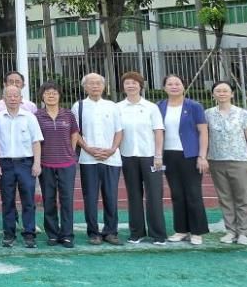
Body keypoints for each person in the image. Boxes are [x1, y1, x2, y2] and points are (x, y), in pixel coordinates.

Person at [158, 74, 210, 245]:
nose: (174, 86)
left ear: (183, 86)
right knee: (177, 194)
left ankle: (197, 232)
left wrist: (202, 156)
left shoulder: (194, 106)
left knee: (193, 193)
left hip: (190, 155)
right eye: (170, 84)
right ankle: (181, 230)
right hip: (169, 155)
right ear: (164, 88)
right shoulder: (159, 106)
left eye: (177, 83)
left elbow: (203, 132)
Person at [0, 85, 43, 248]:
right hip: (5, 164)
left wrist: (37, 163)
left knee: (28, 200)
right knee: (7, 200)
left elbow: (36, 141)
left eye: (16, 96)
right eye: (9, 96)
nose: (12, 99)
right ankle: (9, 234)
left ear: (21, 98)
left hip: (26, 163)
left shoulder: (30, 117)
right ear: (3, 98)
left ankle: (29, 234)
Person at [206, 81, 247, 245]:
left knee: (243, 197)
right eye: (218, 91)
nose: (222, 93)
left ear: (232, 94)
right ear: (213, 94)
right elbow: (205, 137)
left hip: (239, 160)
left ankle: (243, 232)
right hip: (216, 160)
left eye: (225, 91)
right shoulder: (208, 114)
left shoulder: (242, 114)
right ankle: (230, 231)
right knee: (225, 197)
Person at [74, 73, 123, 245]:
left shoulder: (112, 106)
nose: (95, 86)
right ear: (85, 87)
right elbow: (75, 132)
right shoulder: (78, 106)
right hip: (89, 159)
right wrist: (87, 148)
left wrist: (112, 149)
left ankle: (111, 232)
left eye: (98, 83)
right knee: (90, 197)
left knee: (111, 196)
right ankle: (93, 232)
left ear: (104, 86)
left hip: (111, 159)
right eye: (91, 83)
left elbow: (119, 131)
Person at [118, 71, 166, 245]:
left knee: (154, 195)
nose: (131, 85)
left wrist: (158, 155)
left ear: (140, 85)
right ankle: (136, 232)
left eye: (134, 82)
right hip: (127, 156)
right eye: (127, 83)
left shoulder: (151, 107)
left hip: (150, 156)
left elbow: (158, 131)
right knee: (133, 195)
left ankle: (158, 233)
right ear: (123, 87)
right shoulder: (118, 108)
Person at [35, 82, 79, 248]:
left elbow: (74, 134)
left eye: (54, 92)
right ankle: (52, 234)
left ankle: (67, 235)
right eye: (47, 93)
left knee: (67, 200)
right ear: (42, 96)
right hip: (46, 164)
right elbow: (35, 139)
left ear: (60, 95)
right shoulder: (37, 116)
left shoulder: (68, 115)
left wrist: (71, 152)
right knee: (49, 200)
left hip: (67, 164)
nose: (51, 95)